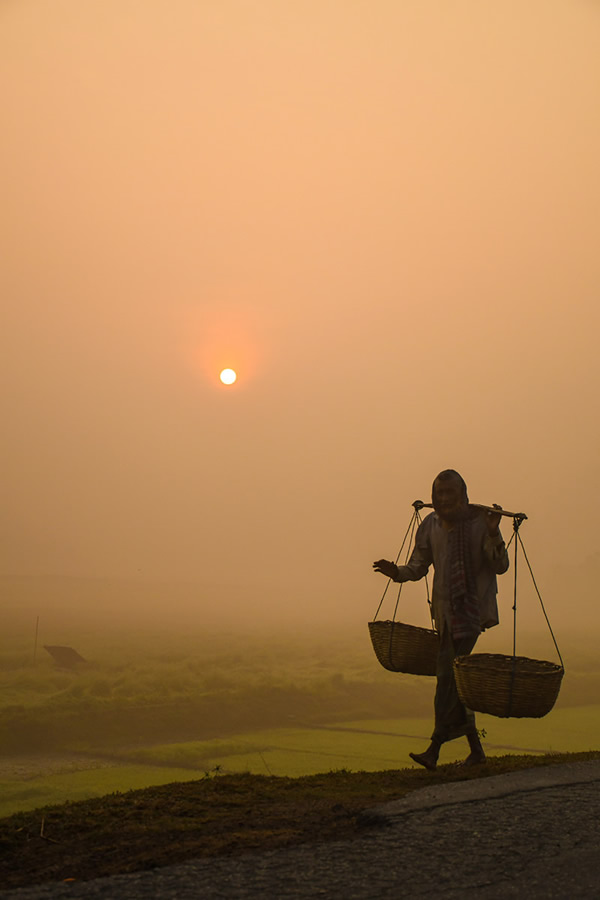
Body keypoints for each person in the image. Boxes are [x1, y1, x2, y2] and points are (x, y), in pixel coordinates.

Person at [373, 469, 509, 770]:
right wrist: (396, 572)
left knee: (447, 678)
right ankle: (476, 750)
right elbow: (418, 566)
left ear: (463, 495)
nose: (445, 498)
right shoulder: (431, 525)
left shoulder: (478, 524)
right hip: (445, 614)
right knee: (457, 681)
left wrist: (492, 531)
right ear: (434, 498)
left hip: (471, 613)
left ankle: (434, 747)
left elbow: (501, 566)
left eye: (451, 493)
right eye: (440, 493)